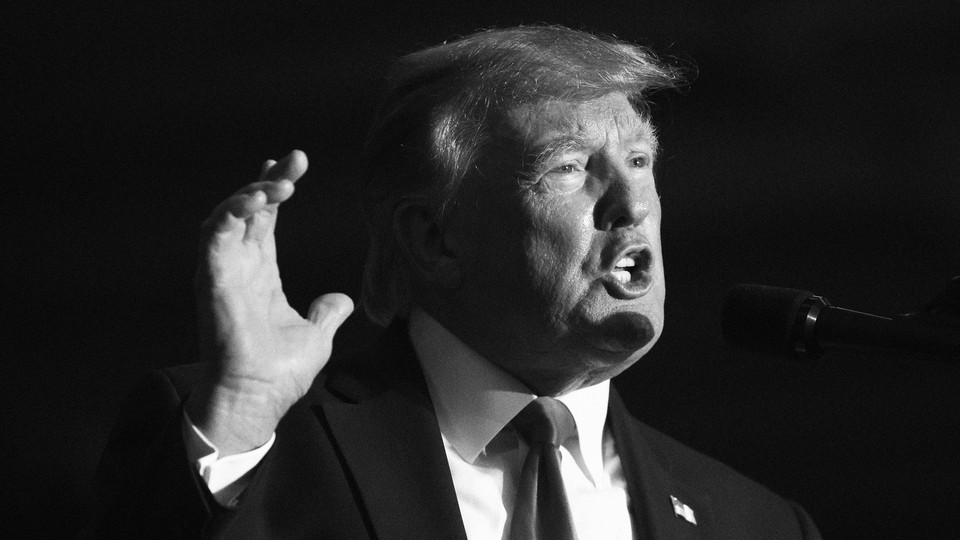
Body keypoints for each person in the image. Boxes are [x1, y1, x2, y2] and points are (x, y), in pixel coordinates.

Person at [89, 25, 821, 539]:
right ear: (433, 238)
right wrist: (244, 415)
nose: (631, 205)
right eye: (569, 167)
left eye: (638, 160)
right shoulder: (264, 455)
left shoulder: (755, 523)